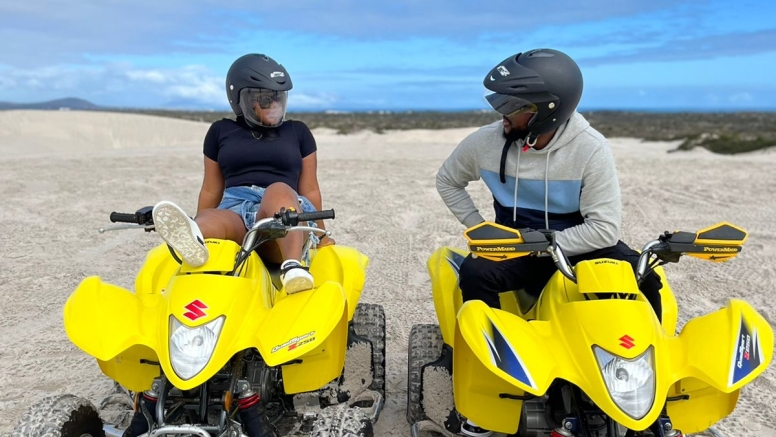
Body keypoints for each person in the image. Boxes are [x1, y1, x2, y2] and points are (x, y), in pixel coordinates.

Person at [436, 48, 662, 437]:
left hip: (582, 242)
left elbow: (604, 230)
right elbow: (448, 180)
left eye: (513, 105)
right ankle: (493, 382)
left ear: (547, 110)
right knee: (475, 272)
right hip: (517, 242)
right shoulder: (485, 142)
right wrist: (480, 230)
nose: (501, 114)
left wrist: (548, 245)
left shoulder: (590, 148)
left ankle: (648, 387)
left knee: (647, 282)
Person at [152, 53, 334, 295]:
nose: (275, 105)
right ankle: (193, 236)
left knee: (278, 189)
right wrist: (201, 216)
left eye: (278, 98)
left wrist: (321, 235)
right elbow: (210, 189)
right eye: (265, 99)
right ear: (241, 99)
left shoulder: (298, 132)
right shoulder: (220, 131)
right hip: (235, 208)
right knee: (212, 220)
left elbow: (310, 188)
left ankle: (292, 266)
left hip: (282, 216)